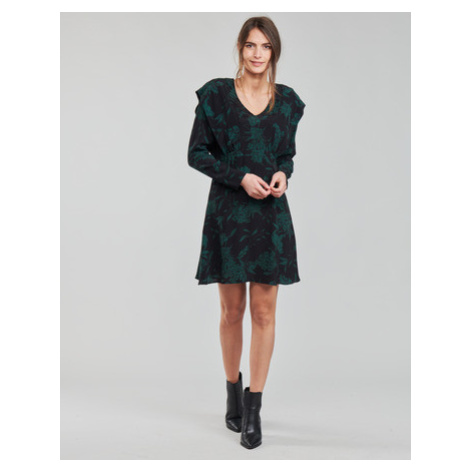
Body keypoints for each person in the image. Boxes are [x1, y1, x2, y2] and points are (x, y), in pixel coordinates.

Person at [187, 16, 306, 450]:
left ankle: (254, 407)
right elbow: (197, 153)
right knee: (232, 312)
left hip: (270, 216)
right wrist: (239, 178)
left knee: (264, 314)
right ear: (240, 48)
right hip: (229, 215)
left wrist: (282, 173)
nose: (258, 54)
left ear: (274, 52)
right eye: (251, 45)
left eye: (265, 47)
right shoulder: (217, 96)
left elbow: (286, 155)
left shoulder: (288, 102)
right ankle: (232, 391)